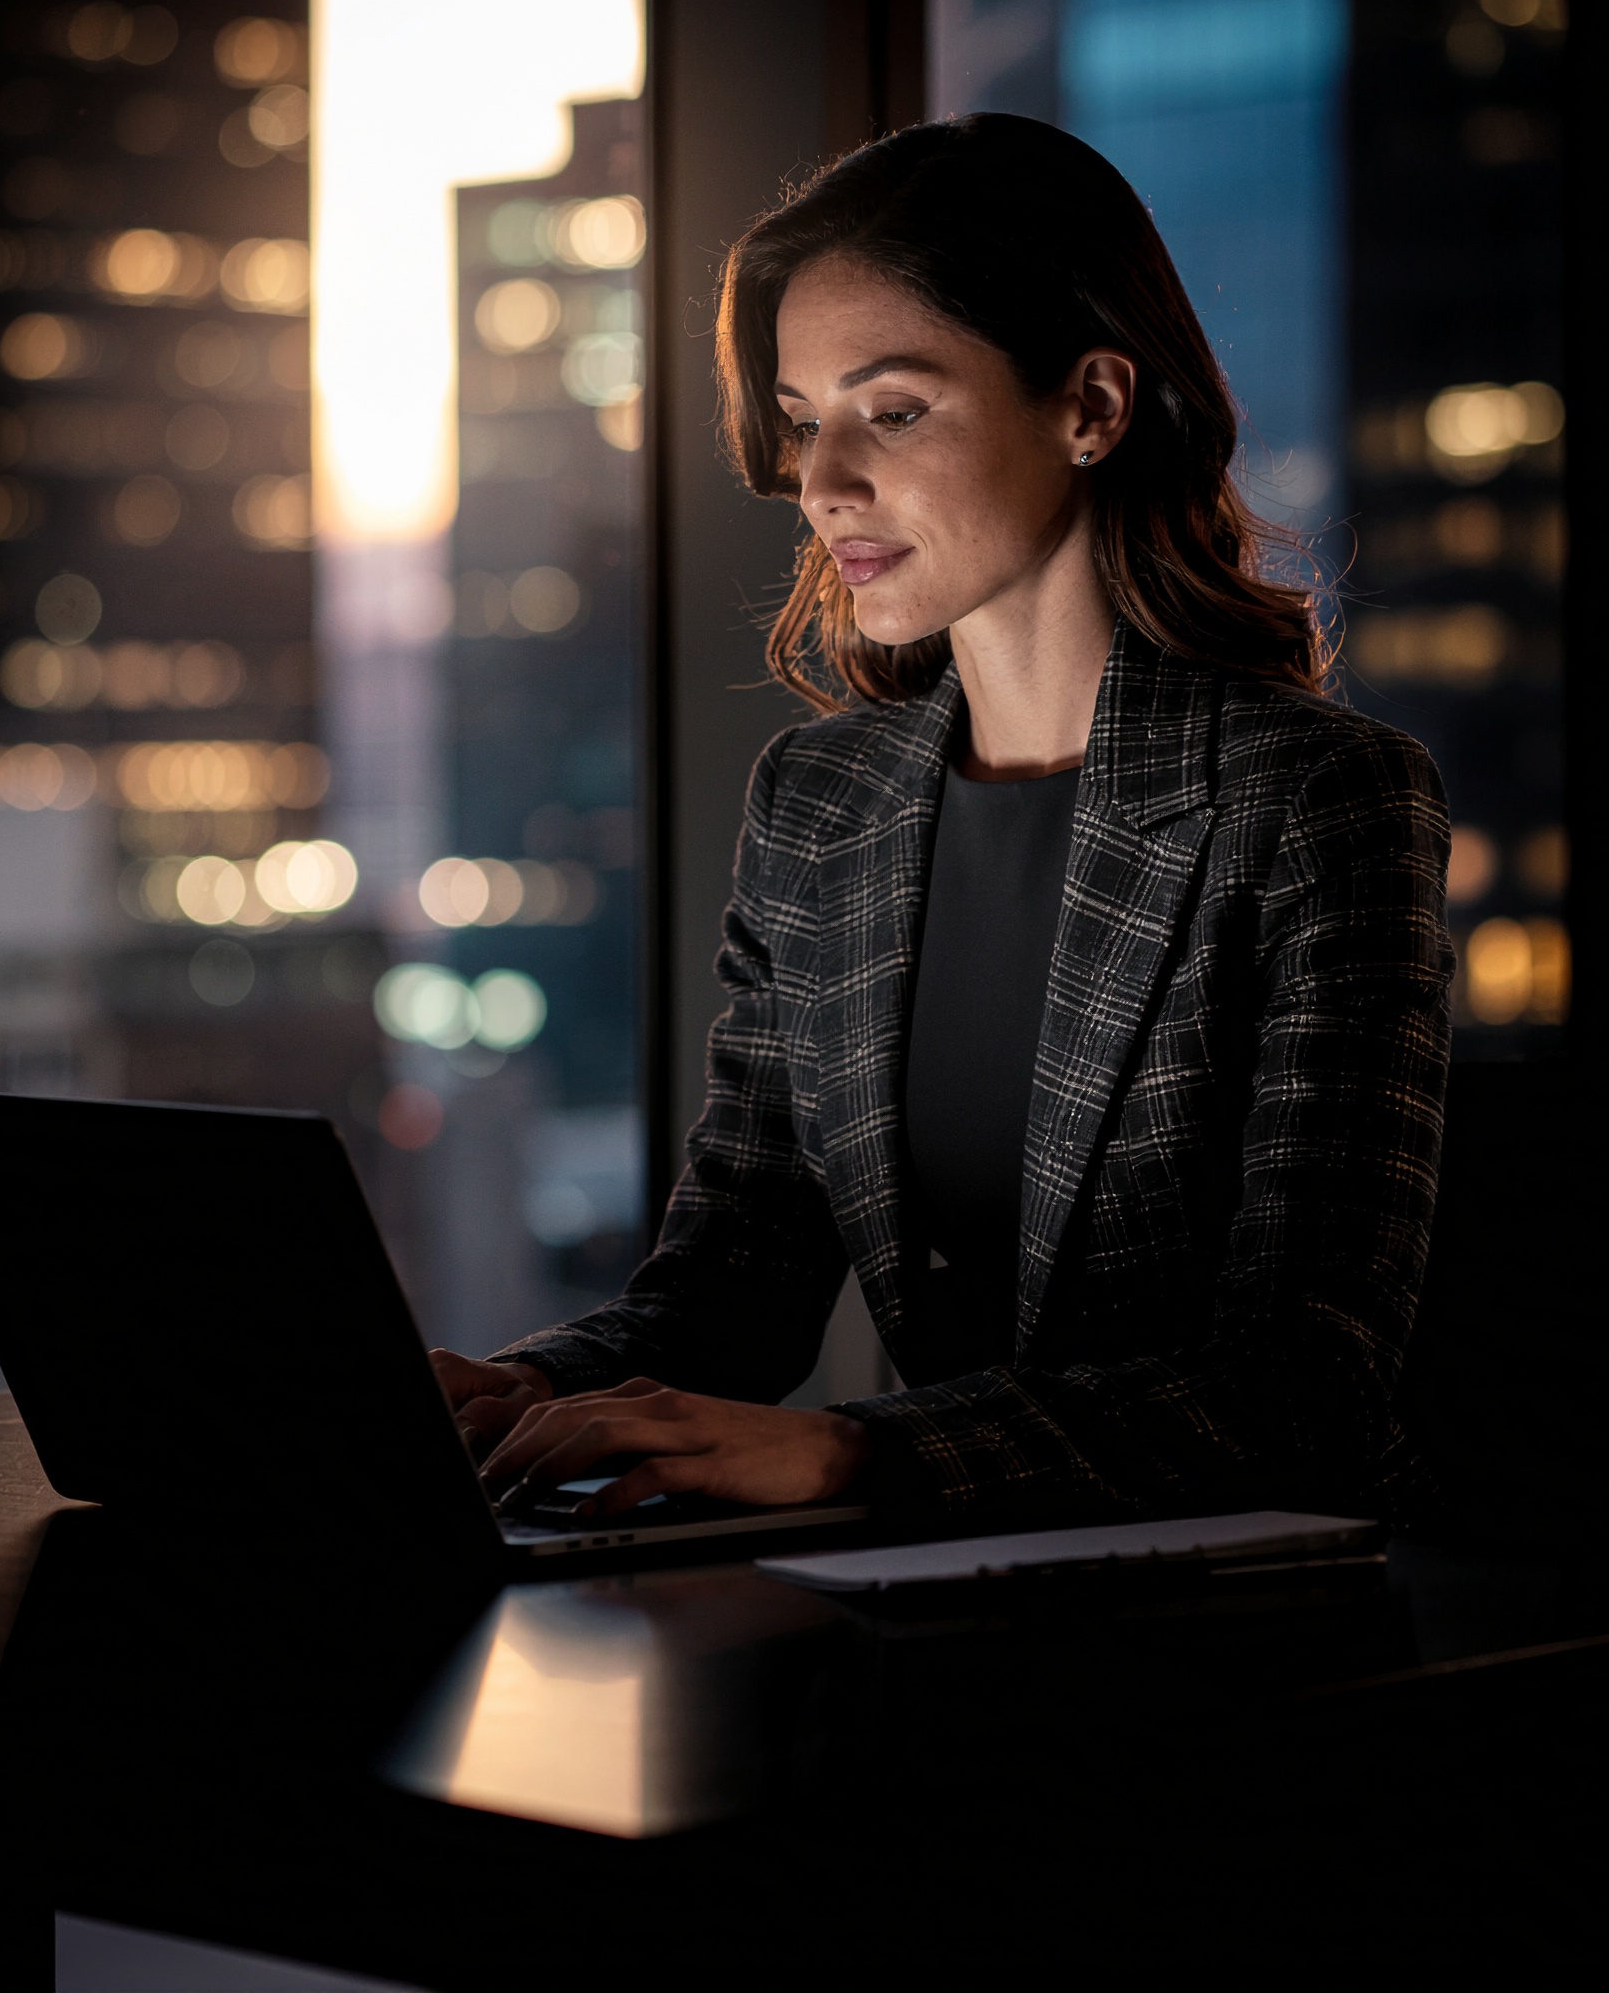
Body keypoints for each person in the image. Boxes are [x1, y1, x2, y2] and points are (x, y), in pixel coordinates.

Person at [431, 114, 1454, 1533]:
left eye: (893, 412)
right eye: (801, 421)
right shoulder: (821, 807)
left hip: (1264, 1620)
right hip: (949, 1593)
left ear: (1091, 406)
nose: (822, 483)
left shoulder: (1315, 800)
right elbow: (727, 1295)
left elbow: (1305, 1384)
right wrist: (503, 1390)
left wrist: (858, 1455)